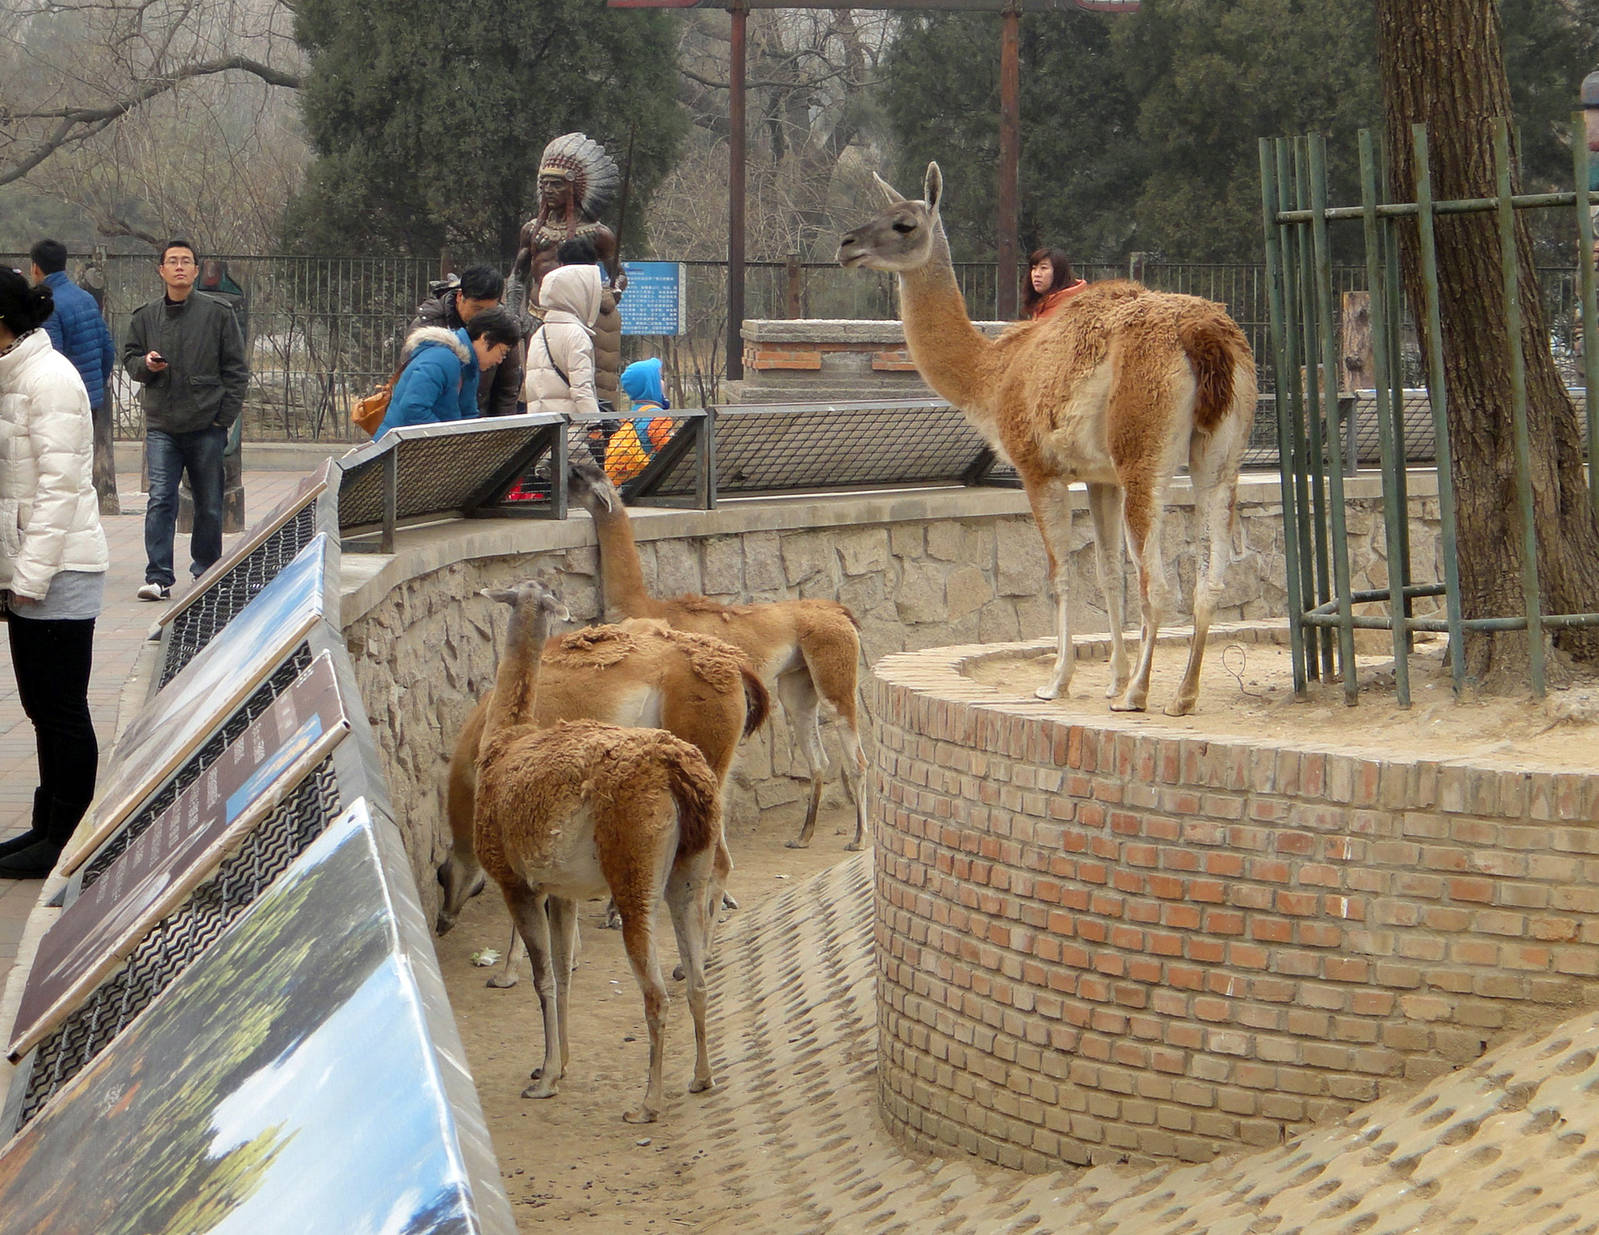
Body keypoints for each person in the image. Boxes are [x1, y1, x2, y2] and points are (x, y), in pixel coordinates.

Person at [0, 269, 109, 878]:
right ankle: (46, 827)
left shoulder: (51, 380)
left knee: (62, 707)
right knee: (40, 705)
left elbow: (58, 489)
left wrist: (29, 577)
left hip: (59, 569)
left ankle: (68, 836)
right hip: (27, 570)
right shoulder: (14, 377)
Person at [123, 239, 249, 601]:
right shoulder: (145, 316)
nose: (179, 267)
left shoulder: (218, 313)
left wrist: (221, 419)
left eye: (186, 261)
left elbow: (236, 371)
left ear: (196, 270)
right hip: (162, 423)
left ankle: (206, 572)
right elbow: (131, 358)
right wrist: (145, 366)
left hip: (206, 424)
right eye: (172, 261)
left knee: (209, 502)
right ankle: (158, 576)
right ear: (161, 270)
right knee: (161, 498)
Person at [28, 240, 115, 509]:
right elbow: (107, 348)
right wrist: (94, 387)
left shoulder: (47, 303)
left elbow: (49, 359)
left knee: (58, 476)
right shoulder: (86, 298)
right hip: (89, 402)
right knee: (81, 469)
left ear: (35, 268)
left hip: (59, 405)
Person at [374, 306, 521, 439]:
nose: (500, 360)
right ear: (485, 338)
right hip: (395, 455)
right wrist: (447, 442)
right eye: (502, 352)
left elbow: (468, 416)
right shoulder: (441, 359)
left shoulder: (468, 366)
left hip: (422, 451)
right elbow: (413, 408)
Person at [411, 265, 524, 418]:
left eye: (489, 310)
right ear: (460, 297)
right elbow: (414, 396)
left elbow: (507, 389)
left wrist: (502, 432)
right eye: (477, 309)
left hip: (478, 423)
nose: (482, 317)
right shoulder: (429, 325)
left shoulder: (502, 327)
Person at [522, 263, 603, 419]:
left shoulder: (539, 333)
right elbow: (581, 389)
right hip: (570, 433)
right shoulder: (576, 335)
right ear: (578, 295)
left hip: (542, 429)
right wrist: (595, 424)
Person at [605, 357, 676, 486]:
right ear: (650, 384)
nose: (663, 382)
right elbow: (672, 451)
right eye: (659, 377)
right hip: (651, 482)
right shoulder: (658, 417)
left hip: (630, 484)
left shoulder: (632, 415)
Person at [1023, 248, 1088, 321]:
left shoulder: (1072, 308)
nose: (1037, 274)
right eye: (1034, 268)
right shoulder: (1041, 303)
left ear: (1058, 272)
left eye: (1043, 268)